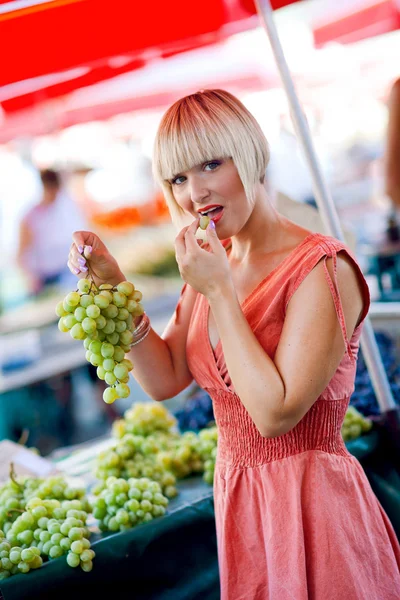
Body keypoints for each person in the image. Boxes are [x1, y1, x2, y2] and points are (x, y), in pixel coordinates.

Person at [68, 89, 400, 599]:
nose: (195, 193)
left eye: (209, 165)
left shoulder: (323, 268)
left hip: (317, 510)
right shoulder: (214, 261)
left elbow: (275, 414)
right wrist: (114, 288)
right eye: (178, 178)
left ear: (250, 156)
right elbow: (165, 379)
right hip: (243, 506)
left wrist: (219, 289)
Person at [17, 168, 85, 295]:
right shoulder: (30, 216)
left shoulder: (65, 208)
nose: (54, 193)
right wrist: (29, 277)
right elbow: (20, 254)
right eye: (51, 189)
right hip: (42, 279)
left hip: (66, 273)